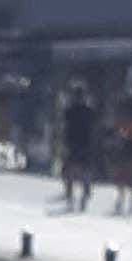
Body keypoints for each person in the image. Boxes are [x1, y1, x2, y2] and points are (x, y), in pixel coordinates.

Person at [59, 83, 98, 213]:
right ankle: (85, 193)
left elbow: (64, 126)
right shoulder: (89, 110)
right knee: (84, 170)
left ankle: (71, 196)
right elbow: (94, 127)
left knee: (69, 171)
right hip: (85, 143)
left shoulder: (69, 110)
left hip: (73, 143)